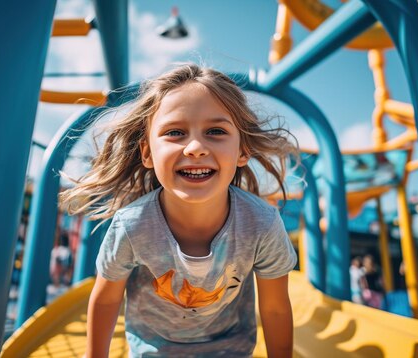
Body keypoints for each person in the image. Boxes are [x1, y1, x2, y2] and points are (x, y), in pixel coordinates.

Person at [60, 64, 299, 357]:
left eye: (215, 131)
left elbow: (274, 308)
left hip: (230, 351)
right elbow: (108, 298)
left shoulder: (261, 224)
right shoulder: (132, 226)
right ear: (147, 153)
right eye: (175, 132)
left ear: (242, 151)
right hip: (153, 352)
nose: (195, 147)